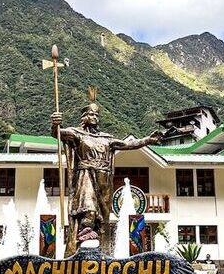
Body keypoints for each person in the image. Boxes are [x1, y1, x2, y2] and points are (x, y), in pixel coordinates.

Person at [51, 87, 163, 254]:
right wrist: (55, 124)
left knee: (102, 215)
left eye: (96, 115)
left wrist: (148, 139)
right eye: (90, 114)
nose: (94, 117)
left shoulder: (106, 138)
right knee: (88, 208)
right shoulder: (77, 134)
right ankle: (84, 238)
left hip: (104, 178)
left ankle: (97, 243)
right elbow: (59, 134)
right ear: (84, 117)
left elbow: (128, 145)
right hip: (86, 175)